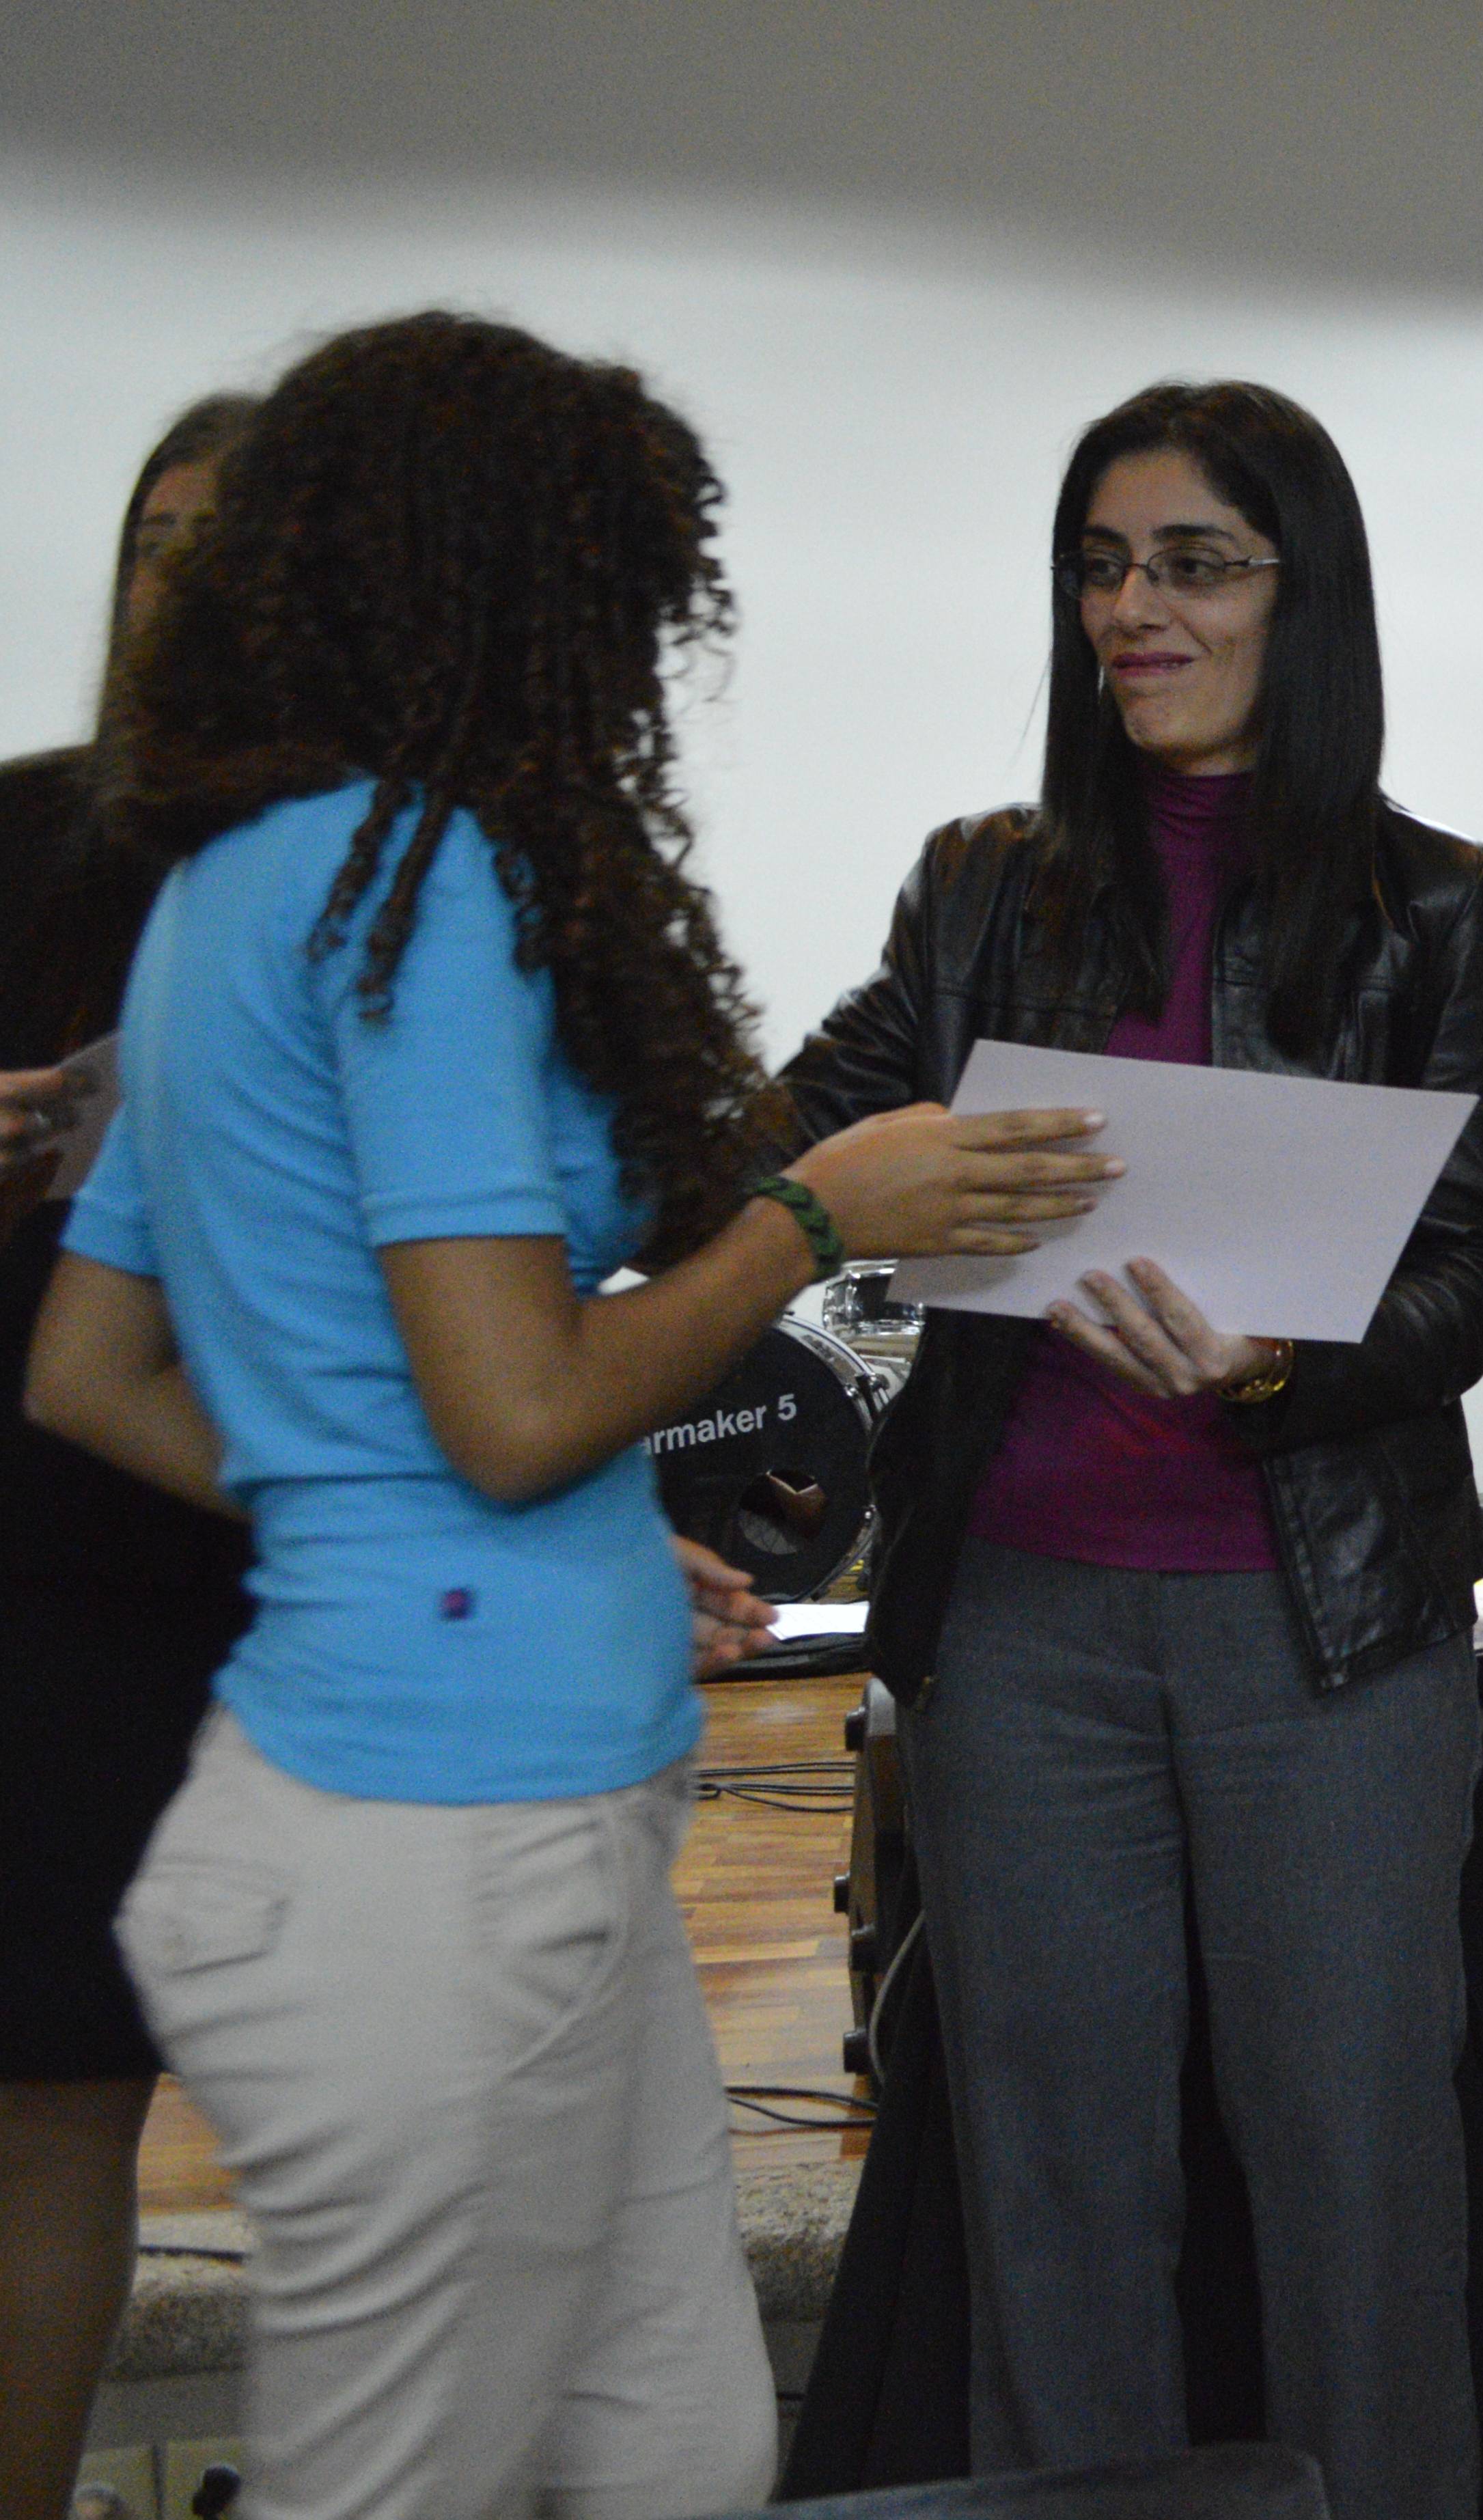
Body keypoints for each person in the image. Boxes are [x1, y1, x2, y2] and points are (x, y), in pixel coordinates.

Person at [22, 311, 1111, 2520]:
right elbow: (516, 1411)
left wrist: (445, 1529)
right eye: (611, 593)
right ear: (497, 588)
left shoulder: (228, 881)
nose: (635, 649)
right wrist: (822, 1210)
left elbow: (87, 1371)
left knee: (680, 2447)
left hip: (485, 1781)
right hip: (448, 1827)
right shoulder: (415, 888)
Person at [771, 380, 1483, 2510]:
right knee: (1056, 2190)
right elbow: (783, 1145)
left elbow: (1478, 1271)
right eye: (1101, 564)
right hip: (1018, 1634)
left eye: (1191, 562)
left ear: (1307, 595)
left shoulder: (1439, 900)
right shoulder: (981, 888)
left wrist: (1278, 1372)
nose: (1132, 606)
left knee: (1357, 2182)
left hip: (1328, 1637)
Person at [0, 389, 253, 2520]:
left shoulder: (383, 870)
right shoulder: (20, 831)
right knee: (50, 2095)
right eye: (153, 542)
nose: (182, 585)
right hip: (46, 1532)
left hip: (278, 1550)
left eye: (229, 542)